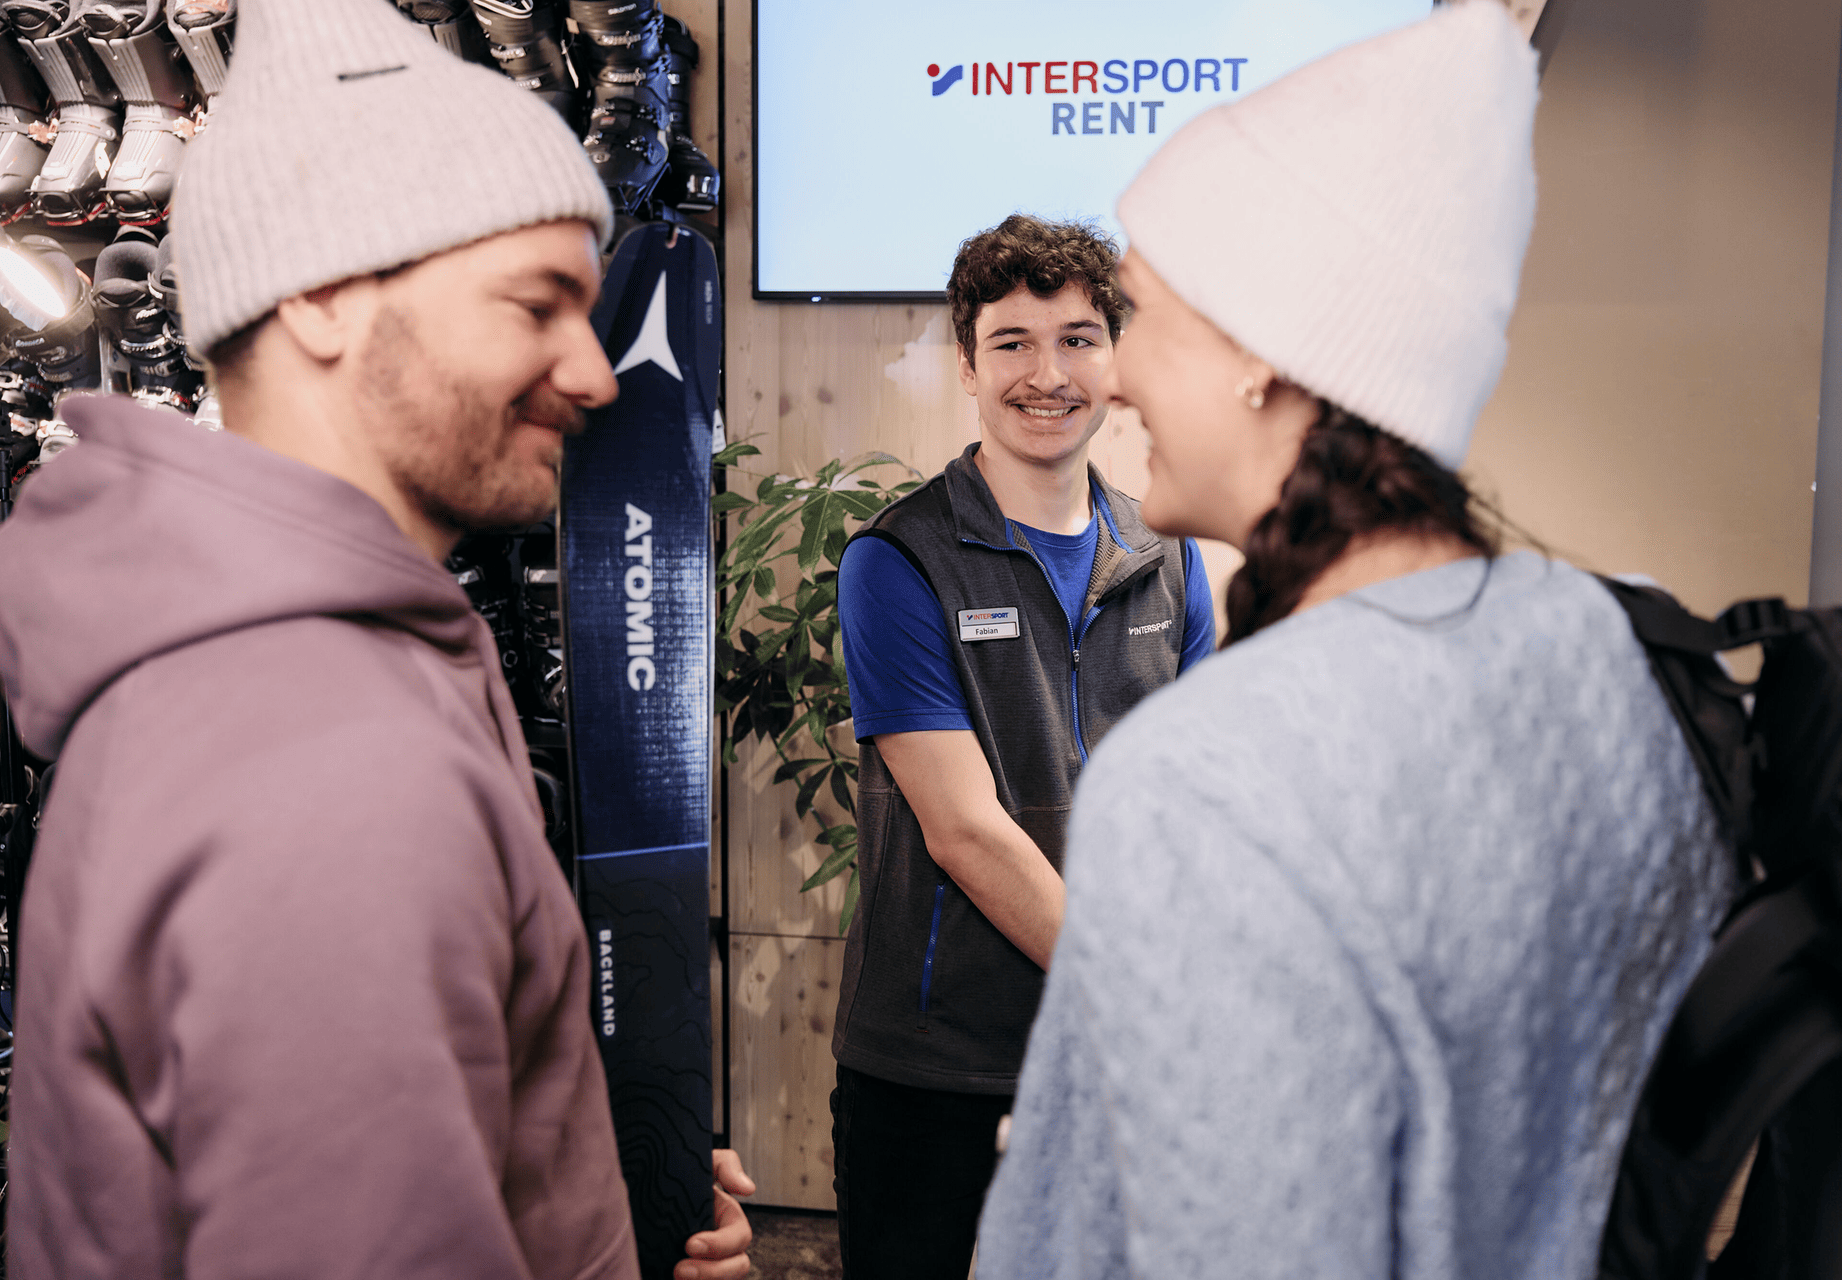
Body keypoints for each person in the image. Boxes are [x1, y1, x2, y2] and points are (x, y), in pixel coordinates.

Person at [975, 5, 1736, 1277]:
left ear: (1264, 353)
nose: (1109, 377)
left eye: (1138, 315)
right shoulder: (1620, 651)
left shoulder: (1213, 777)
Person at [0, 2, 753, 1277]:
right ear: (323, 301)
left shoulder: (296, 670)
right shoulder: (319, 760)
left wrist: (580, 1185)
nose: (593, 373)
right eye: (536, 305)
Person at [829, 214, 1215, 1276]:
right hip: (934, 1067)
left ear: (1114, 360)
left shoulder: (1169, 555)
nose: (1047, 374)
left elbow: (1198, 806)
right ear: (967, 365)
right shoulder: (898, 560)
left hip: (1107, 1064)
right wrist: (1140, 991)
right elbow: (964, 829)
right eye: (1012, 343)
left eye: (1078, 339)